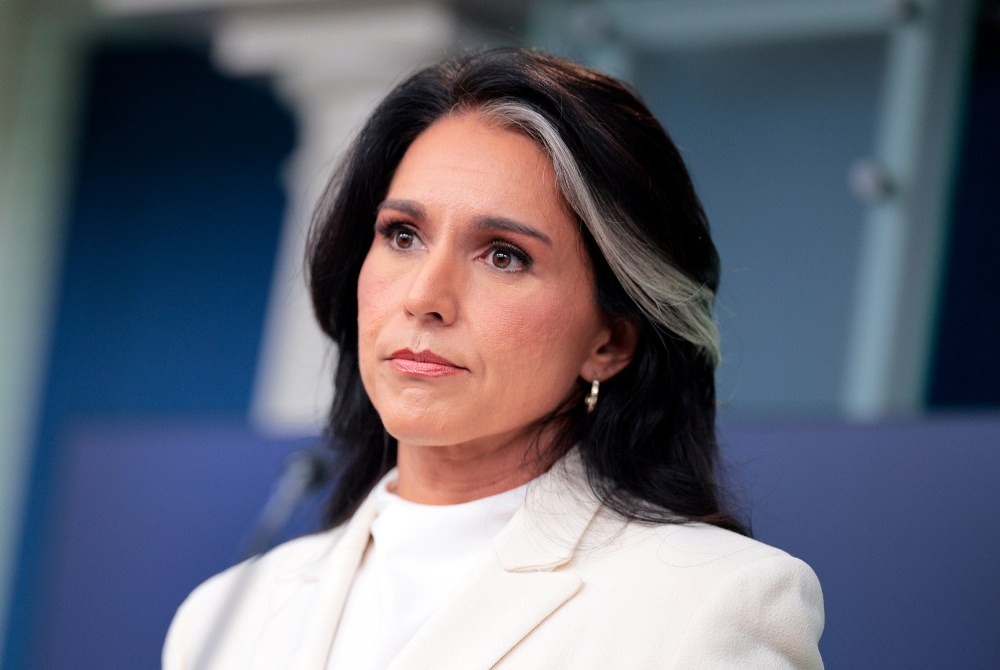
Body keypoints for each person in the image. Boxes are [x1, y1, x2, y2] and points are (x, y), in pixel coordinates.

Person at [163, 48, 824, 669]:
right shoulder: (225, 618)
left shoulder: (713, 604)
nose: (425, 297)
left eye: (504, 255)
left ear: (611, 343)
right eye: (403, 235)